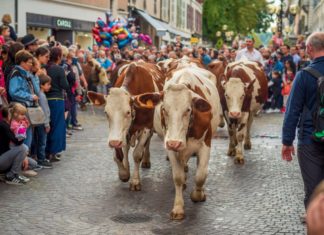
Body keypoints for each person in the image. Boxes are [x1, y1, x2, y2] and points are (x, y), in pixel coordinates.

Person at [281, 32, 324, 211]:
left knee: (314, 191)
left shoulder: (304, 75)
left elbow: (292, 111)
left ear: (309, 49)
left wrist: (287, 141)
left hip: (310, 138)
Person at [8, 50, 40, 149]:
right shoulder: (16, 74)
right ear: (22, 62)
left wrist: (32, 75)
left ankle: (26, 158)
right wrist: (30, 96)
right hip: (21, 108)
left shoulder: (26, 74)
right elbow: (13, 92)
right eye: (29, 62)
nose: (31, 65)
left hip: (27, 107)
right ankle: (23, 159)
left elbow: (37, 90)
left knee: (29, 134)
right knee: (23, 135)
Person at [45, 46, 69, 161]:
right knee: (57, 127)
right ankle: (53, 152)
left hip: (45, 100)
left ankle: (46, 151)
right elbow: (65, 86)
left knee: (48, 125)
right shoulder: (59, 69)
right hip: (57, 99)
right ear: (59, 57)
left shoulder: (45, 67)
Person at [0, 107, 28, 185]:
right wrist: (23, 129)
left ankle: (16, 174)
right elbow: (17, 142)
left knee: (33, 163)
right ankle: (11, 175)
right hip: (2, 157)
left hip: (5, 154)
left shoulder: (6, 124)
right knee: (22, 149)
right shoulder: (3, 125)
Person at [32, 74, 52, 168]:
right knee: (42, 141)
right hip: (43, 122)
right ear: (41, 85)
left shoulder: (40, 94)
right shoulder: (42, 96)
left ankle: (39, 157)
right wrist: (47, 124)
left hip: (40, 121)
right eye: (48, 84)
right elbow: (44, 110)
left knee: (39, 140)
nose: (50, 86)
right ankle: (41, 159)